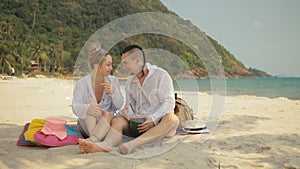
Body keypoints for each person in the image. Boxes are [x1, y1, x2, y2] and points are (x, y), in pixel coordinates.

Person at [78, 45, 179, 154]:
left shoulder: (161, 75)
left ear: (137, 61)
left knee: (173, 119)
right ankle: (106, 145)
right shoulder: (130, 81)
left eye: (126, 63)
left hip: (157, 122)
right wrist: (126, 112)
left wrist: (153, 118)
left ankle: (131, 145)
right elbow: (128, 105)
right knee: (118, 120)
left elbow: (169, 103)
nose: (124, 67)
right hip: (138, 124)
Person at [72, 43, 124, 142]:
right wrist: (88, 109)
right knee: (91, 101)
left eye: (111, 64)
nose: (111, 68)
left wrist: (114, 93)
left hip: (106, 123)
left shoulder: (113, 81)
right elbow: (74, 106)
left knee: (108, 115)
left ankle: (93, 140)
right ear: (97, 66)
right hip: (87, 125)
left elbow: (119, 106)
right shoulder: (81, 83)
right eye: (108, 65)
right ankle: (93, 138)